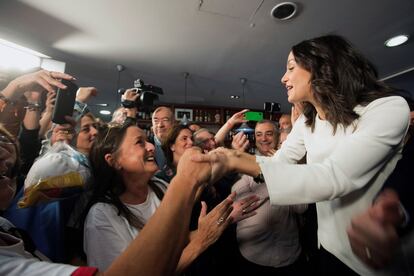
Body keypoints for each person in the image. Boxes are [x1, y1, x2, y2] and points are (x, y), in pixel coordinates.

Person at [194, 34, 410, 275]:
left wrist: (234, 160)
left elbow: (335, 176)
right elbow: (278, 163)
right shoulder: (308, 121)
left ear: (321, 66)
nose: (283, 78)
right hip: (327, 245)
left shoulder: (387, 107)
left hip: (371, 259)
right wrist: (226, 159)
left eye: (290, 67)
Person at [83, 122, 234, 274]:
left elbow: (173, 241)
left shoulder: (159, 186)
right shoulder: (101, 215)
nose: (151, 147)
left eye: (147, 140)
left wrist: (212, 226)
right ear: (114, 161)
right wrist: (200, 241)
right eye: (139, 142)